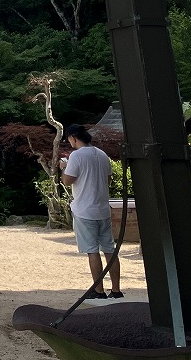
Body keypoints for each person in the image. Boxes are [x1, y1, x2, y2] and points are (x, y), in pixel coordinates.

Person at [61, 124, 123, 299]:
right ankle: (116, 290)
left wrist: (63, 167)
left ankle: (99, 290)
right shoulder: (102, 154)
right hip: (103, 209)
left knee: (92, 251)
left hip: (84, 210)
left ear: (73, 138)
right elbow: (108, 179)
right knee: (109, 250)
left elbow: (67, 180)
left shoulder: (76, 156)